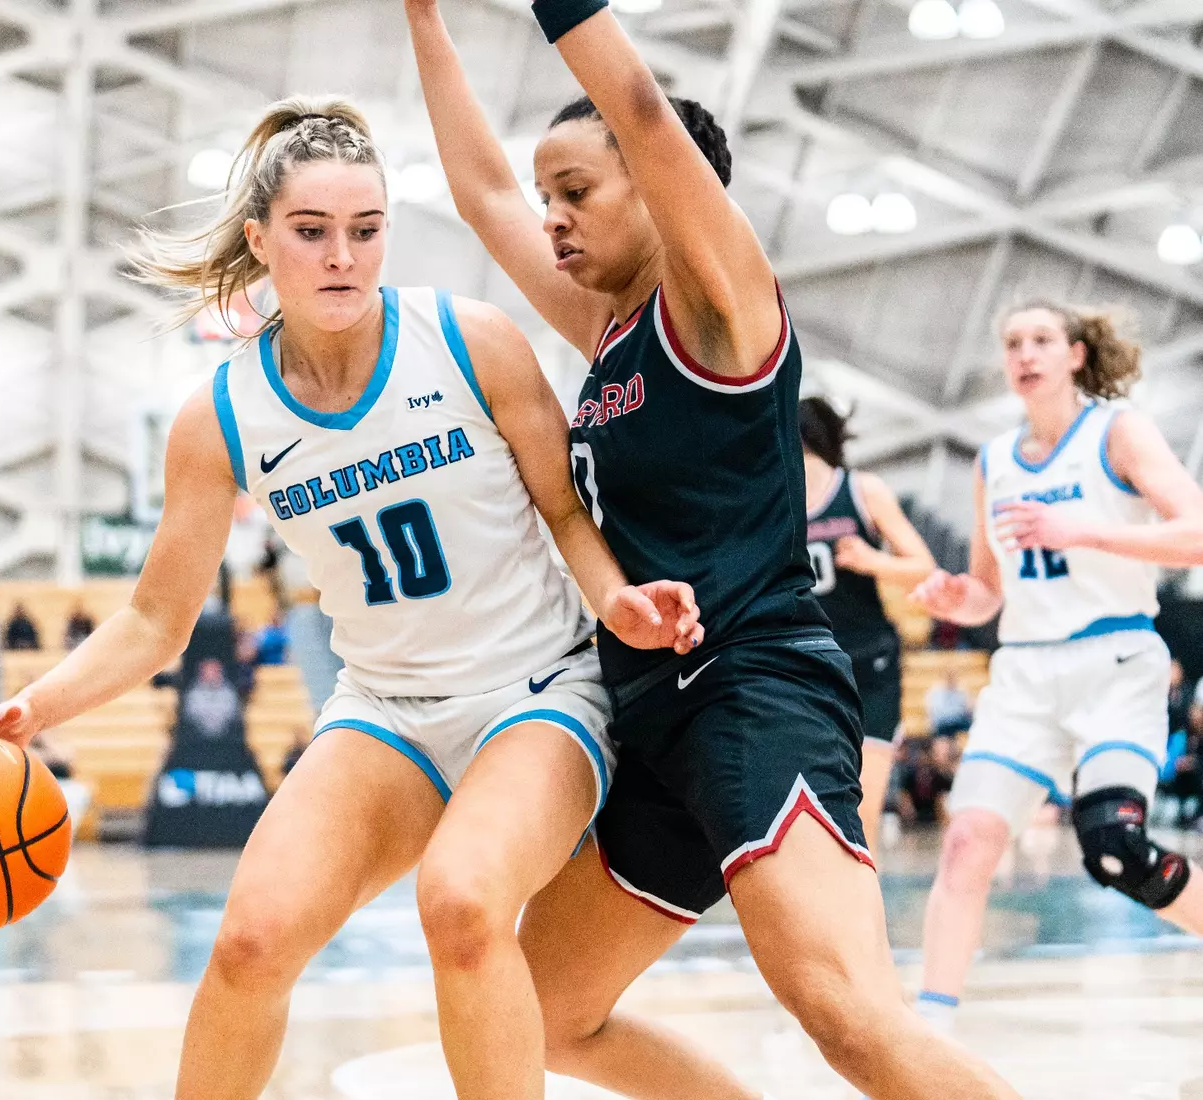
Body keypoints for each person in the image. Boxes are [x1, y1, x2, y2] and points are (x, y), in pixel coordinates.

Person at [0, 93, 702, 1100]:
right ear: (260, 241)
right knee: (251, 941)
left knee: (462, 904)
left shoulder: (469, 340)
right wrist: (34, 708)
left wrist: (617, 600)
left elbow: (565, 513)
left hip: (538, 691)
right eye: (312, 231)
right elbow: (154, 619)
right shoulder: (222, 414)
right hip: (385, 711)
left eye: (366, 231)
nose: (342, 257)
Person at [405, 3, 1018, 1098]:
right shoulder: (608, 332)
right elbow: (485, 196)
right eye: (550, 197)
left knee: (847, 1016)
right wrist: (422, 15)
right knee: (545, 1011)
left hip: (753, 689)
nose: (551, 216)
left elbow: (641, 109)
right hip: (653, 719)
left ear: (656, 184)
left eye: (575, 190)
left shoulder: (719, 307)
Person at [913, 300, 1203, 1031]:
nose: (1025, 353)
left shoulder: (1117, 431)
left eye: (1042, 339)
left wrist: (1086, 532)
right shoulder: (993, 461)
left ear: (1075, 354)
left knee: (1115, 848)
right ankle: (930, 1031)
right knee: (966, 842)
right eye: (1013, 342)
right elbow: (988, 590)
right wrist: (958, 598)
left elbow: (1197, 533)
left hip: (1115, 662)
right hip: (1025, 674)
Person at [801, 397, 936, 853]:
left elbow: (923, 567)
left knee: (861, 816)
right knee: (812, 819)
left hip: (868, 665)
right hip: (807, 668)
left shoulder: (861, 490)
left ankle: (863, 900)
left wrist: (871, 560)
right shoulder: (774, 498)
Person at [182, 658, 242, 739]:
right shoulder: (193, 694)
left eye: (214, 671)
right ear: (201, 673)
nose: (211, 675)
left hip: (226, 738)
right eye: (208, 671)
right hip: (196, 738)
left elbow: (232, 714)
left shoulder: (230, 693)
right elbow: (190, 715)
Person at [925, 670, 974, 740]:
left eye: (952, 678)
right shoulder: (935, 692)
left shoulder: (961, 691)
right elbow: (936, 712)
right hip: (943, 723)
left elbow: (968, 710)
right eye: (948, 677)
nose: (950, 680)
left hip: (958, 721)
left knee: (972, 727)